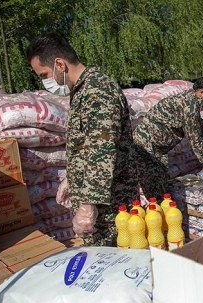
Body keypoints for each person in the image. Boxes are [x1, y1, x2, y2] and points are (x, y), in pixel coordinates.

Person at [26, 33, 139, 246]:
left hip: (109, 207)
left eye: (43, 75)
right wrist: (72, 177)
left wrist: (87, 206)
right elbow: (86, 143)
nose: (44, 82)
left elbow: (102, 150)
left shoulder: (98, 90)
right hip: (99, 203)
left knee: (111, 267)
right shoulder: (82, 91)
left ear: (59, 64)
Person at [133, 76, 203, 202]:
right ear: (202, 92)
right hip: (147, 145)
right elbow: (194, 136)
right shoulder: (190, 105)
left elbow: (200, 128)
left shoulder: (192, 101)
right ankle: (155, 214)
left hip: (157, 147)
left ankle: (161, 211)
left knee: (162, 181)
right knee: (154, 184)